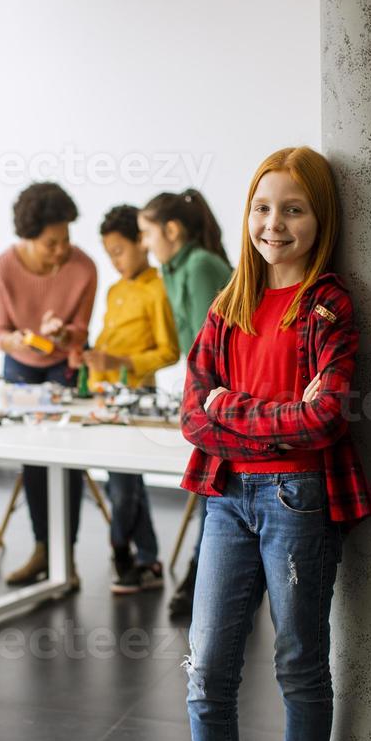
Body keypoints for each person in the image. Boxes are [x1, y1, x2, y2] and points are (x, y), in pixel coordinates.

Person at [150, 147, 371, 741]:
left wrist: (231, 412)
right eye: (261, 208)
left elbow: (324, 419)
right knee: (208, 662)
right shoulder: (228, 305)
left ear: (320, 219)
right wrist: (248, 418)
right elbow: (191, 415)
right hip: (226, 499)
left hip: (297, 502)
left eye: (293, 209)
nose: (272, 224)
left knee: (298, 662)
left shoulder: (329, 305)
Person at [0, 182, 97, 587]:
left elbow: (81, 331)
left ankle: (64, 557)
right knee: (33, 456)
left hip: (62, 364)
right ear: (27, 237)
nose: (61, 250)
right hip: (20, 365)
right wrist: (14, 341)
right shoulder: (2, 268)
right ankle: (41, 549)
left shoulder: (83, 267)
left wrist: (65, 334)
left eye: (66, 239)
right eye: (51, 243)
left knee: (66, 457)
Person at [138, 189, 232, 618]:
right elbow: (184, 346)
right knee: (209, 488)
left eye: (146, 233)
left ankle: (201, 580)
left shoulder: (198, 266)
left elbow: (209, 347)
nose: (144, 244)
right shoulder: (173, 270)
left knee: (212, 488)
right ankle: (202, 580)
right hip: (207, 394)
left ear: (171, 230)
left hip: (225, 398)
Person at [81, 204, 179, 594]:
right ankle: (148, 559)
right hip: (103, 396)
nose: (114, 261)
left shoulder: (159, 288)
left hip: (137, 397)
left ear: (142, 242)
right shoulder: (114, 290)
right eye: (109, 254)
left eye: (119, 251)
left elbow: (169, 351)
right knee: (123, 483)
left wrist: (119, 361)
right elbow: (107, 340)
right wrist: (89, 356)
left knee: (123, 486)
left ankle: (122, 549)